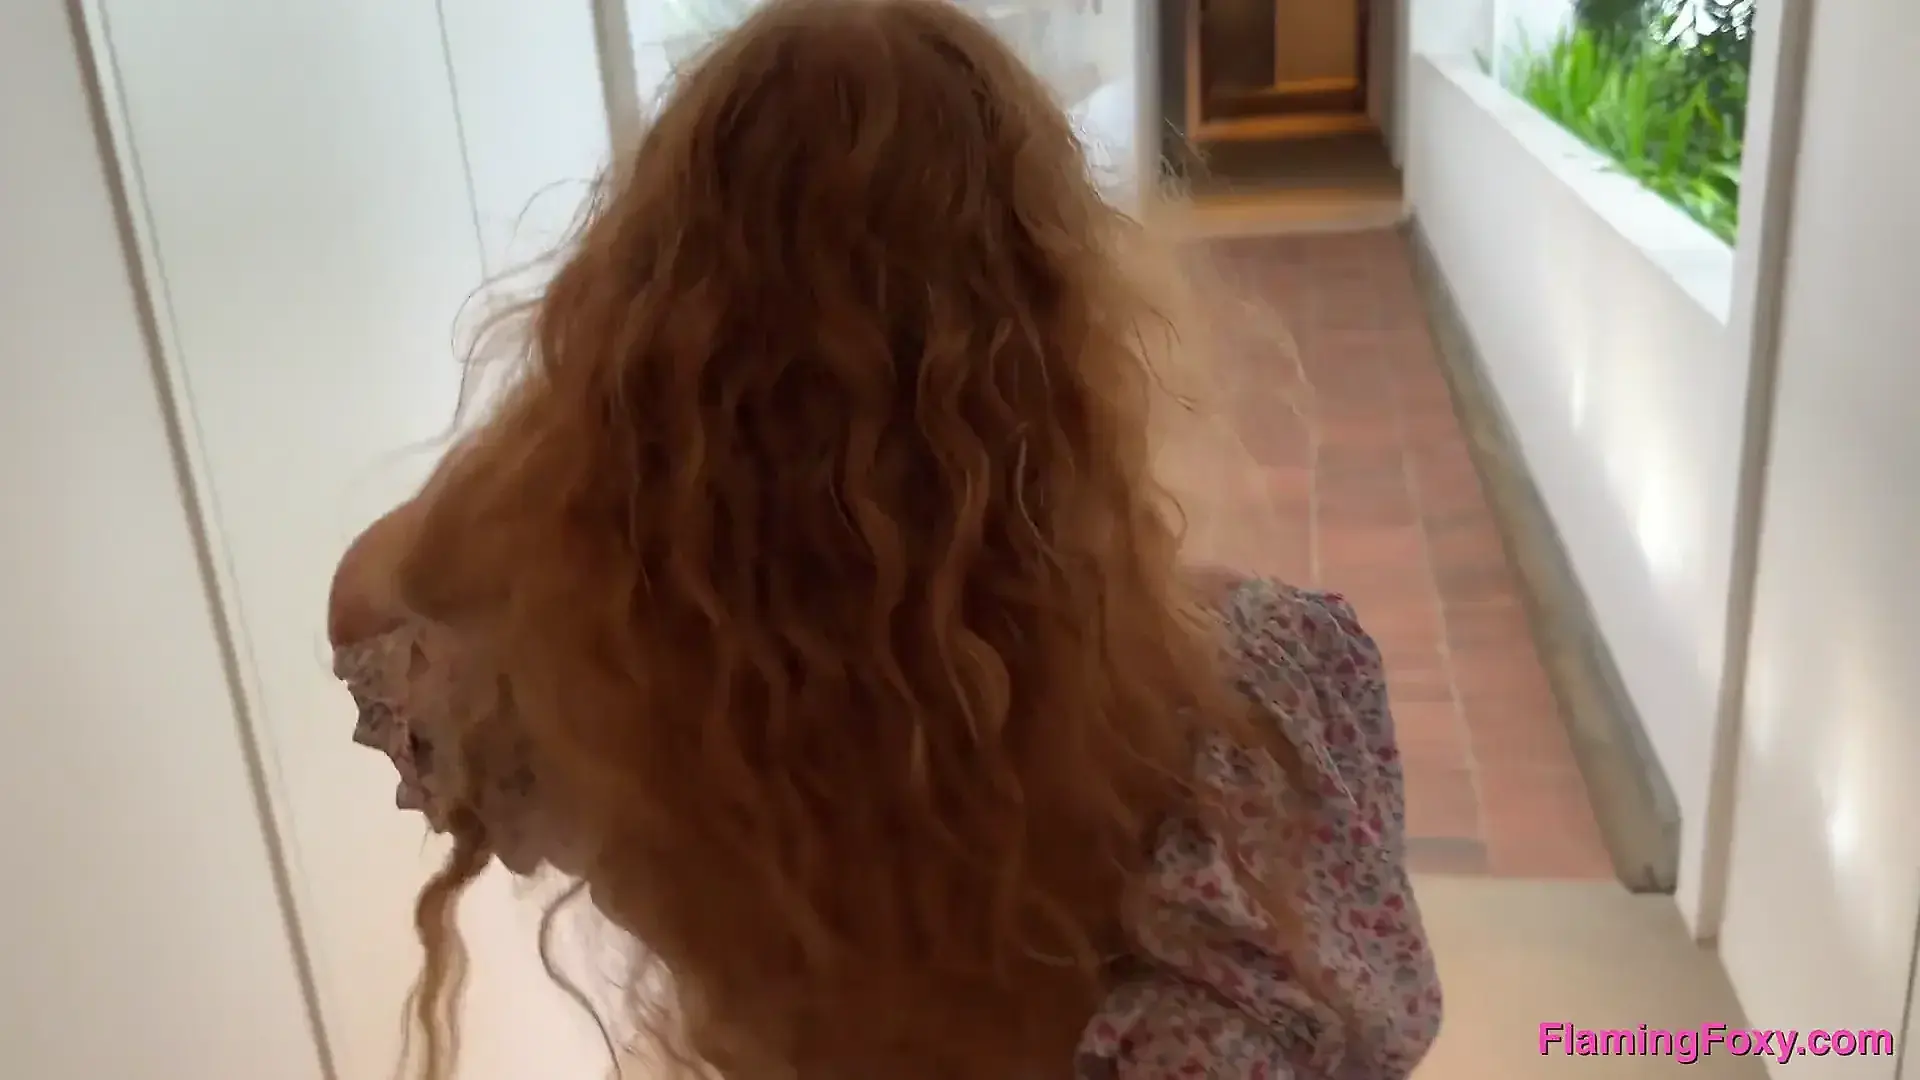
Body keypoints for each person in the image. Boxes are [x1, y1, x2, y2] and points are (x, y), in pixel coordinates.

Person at [327, 0, 1442, 1077]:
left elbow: (376, 590)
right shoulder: (1252, 697)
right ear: (1056, 315)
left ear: (643, 315)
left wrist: (594, 429)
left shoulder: (606, 686)